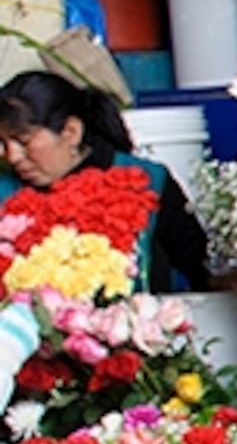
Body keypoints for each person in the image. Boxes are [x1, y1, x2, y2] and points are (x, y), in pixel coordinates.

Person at [0, 68, 211, 292]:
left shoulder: (146, 182)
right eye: (3, 143)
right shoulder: (5, 191)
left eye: (24, 142)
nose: (12, 156)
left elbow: (203, 269)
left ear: (71, 132)